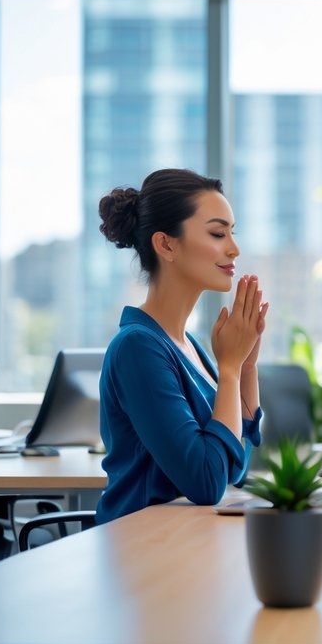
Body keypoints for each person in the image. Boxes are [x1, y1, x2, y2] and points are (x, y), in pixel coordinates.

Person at [94, 168, 267, 524]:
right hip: (141, 541)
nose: (234, 249)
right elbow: (207, 483)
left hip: (185, 536)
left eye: (232, 233)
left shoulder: (189, 346)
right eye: (217, 233)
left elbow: (234, 469)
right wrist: (229, 370)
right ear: (166, 245)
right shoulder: (138, 348)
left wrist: (245, 368)